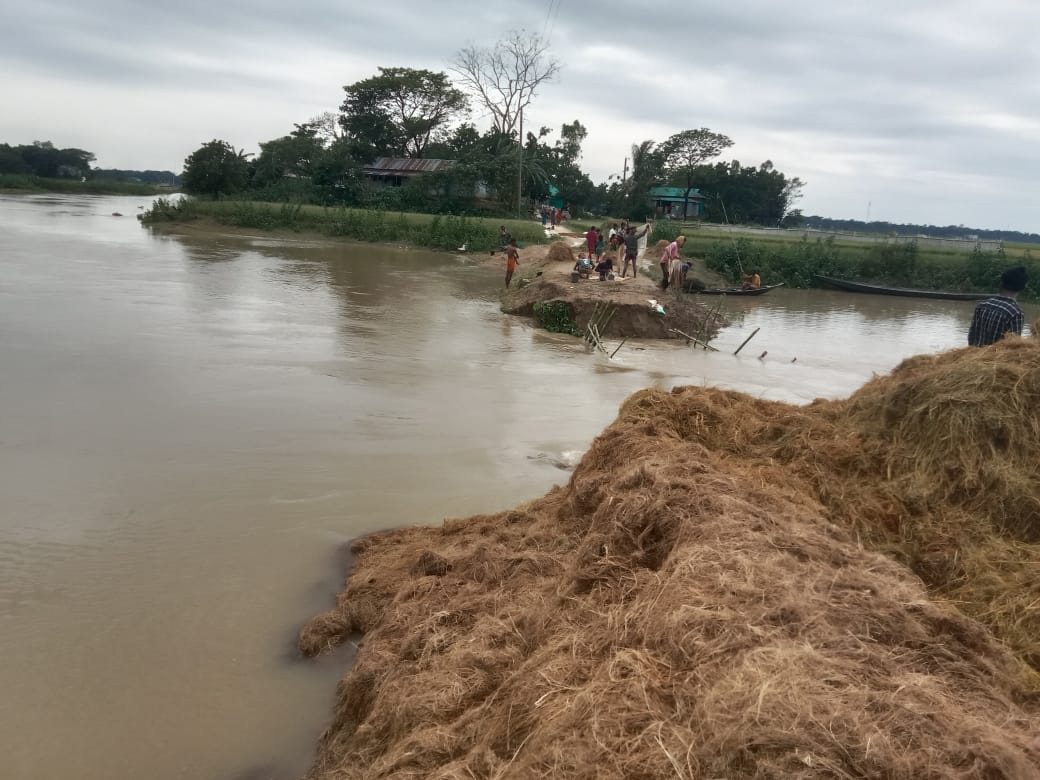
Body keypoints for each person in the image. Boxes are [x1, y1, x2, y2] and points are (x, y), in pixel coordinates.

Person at [968, 266, 1028, 346]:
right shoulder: (1015, 312)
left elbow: (971, 337)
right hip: (996, 358)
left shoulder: (982, 305)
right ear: (1022, 288)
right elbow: (1013, 346)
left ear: (1002, 283)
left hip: (973, 356)